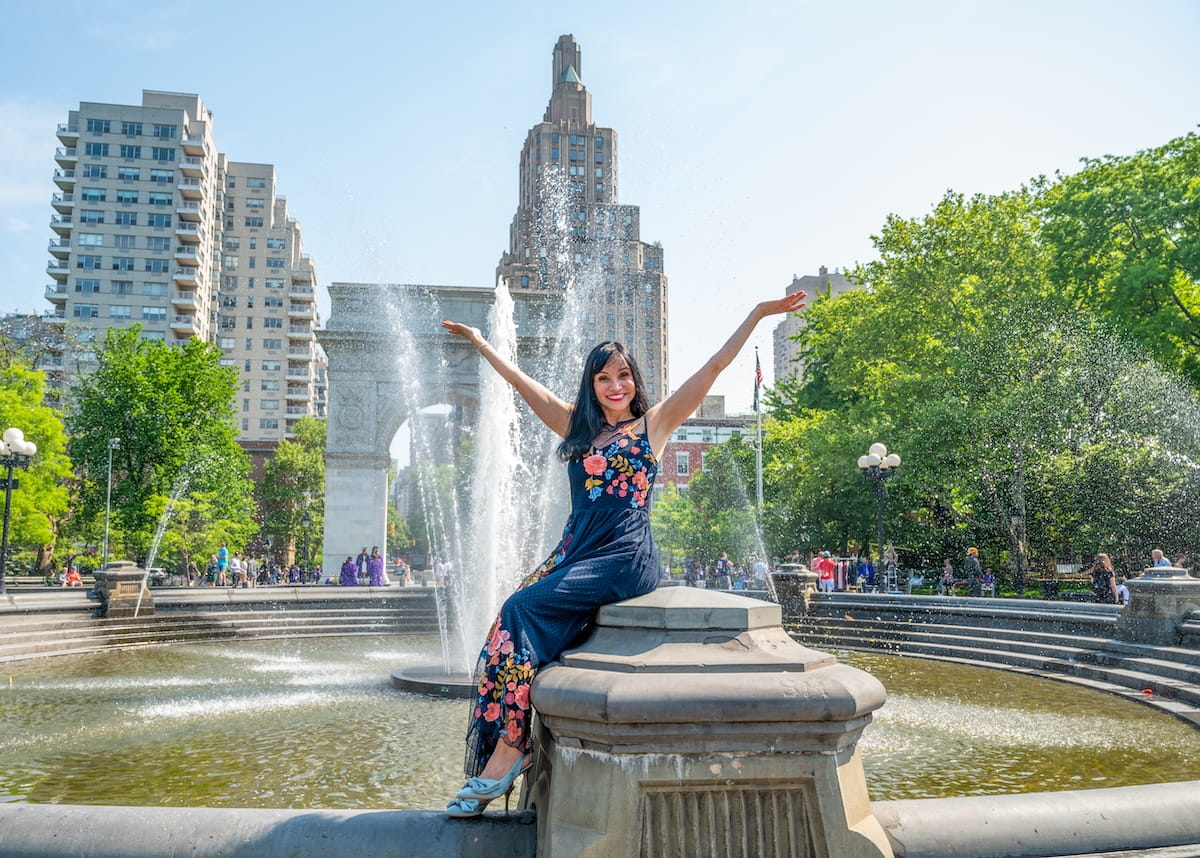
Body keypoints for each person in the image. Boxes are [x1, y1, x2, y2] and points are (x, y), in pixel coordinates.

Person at [440, 290, 806, 817]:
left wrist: (757, 313)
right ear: (592, 385)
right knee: (508, 618)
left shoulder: (653, 426)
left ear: (635, 381)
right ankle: (511, 745)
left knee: (522, 610)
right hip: (576, 550)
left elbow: (715, 366)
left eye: (624, 377)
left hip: (624, 556)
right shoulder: (576, 427)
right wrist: (482, 343)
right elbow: (522, 385)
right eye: (604, 379)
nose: (615, 387)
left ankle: (509, 751)